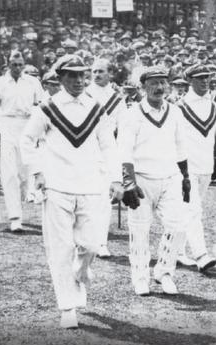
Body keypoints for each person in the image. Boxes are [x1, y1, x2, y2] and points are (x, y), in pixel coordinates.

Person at [20, 55, 121, 328]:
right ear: (60, 78)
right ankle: (68, 307)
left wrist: (116, 178)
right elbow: (27, 140)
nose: (78, 81)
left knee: (90, 244)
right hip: (57, 187)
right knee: (60, 249)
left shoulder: (97, 108)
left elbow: (109, 146)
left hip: (91, 186)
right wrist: (38, 172)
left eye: (81, 75)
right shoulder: (47, 108)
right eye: (71, 76)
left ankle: (82, 268)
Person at [116, 66, 190, 296]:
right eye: (153, 83)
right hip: (141, 180)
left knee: (178, 227)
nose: (159, 88)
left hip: (169, 177)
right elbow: (124, 149)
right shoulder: (131, 114)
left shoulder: (176, 112)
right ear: (143, 87)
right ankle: (140, 278)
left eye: (163, 83)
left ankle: (164, 272)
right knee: (139, 231)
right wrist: (128, 182)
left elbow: (180, 146)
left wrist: (185, 176)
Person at [177, 64, 216, 272]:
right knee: (193, 210)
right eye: (200, 78)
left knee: (189, 211)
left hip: (206, 167)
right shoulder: (179, 106)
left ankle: (177, 252)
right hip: (184, 169)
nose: (205, 82)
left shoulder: (214, 107)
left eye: (207, 78)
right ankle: (201, 254)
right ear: (190, 81)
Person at [0, 51, 45, 232]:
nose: (17, 68)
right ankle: (15, 218)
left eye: (20, 65)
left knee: (27, 172)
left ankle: (36, 204)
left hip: (28, 126)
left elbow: (42, 107)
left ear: (24, 64)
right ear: (7, 65)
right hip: (6, 126)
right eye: (14, 65)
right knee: (9, 174)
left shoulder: (33, 82)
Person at [86, 58, 127, 258]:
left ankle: (101, 242)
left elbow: (124, 126)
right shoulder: (84, 93)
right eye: (94, 71)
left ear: (110, 73)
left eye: (101, 71)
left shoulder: (117, 98)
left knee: (104, 197)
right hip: (84, 147)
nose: (97, 75)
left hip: (108, 148)